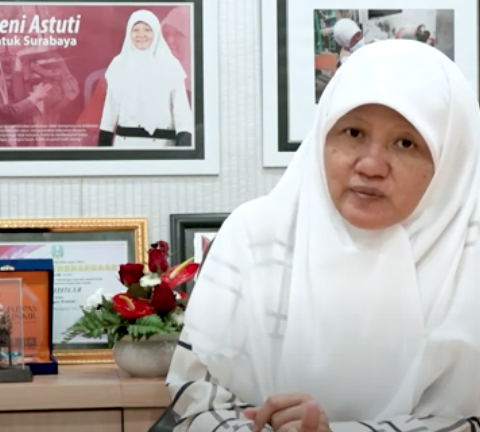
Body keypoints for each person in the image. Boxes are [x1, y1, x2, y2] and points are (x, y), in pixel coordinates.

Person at [165, 39, 480, 432]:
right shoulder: (254, 236)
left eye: (405, 143)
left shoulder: (469, 260)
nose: (371, 165)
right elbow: (196, 396)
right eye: (353, 132)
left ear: (450, 159)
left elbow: (467, 419)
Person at [98, 9, 193, 148]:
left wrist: (184, 148)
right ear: (129, 32)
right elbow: (110, 109)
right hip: (125, 145)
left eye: (147, 30)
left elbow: (182, 112)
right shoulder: (119, 64)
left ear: (156, 32)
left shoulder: (171, 65)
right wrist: (103, 146)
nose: (141, 35)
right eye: (136, 30)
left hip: (163, 146)